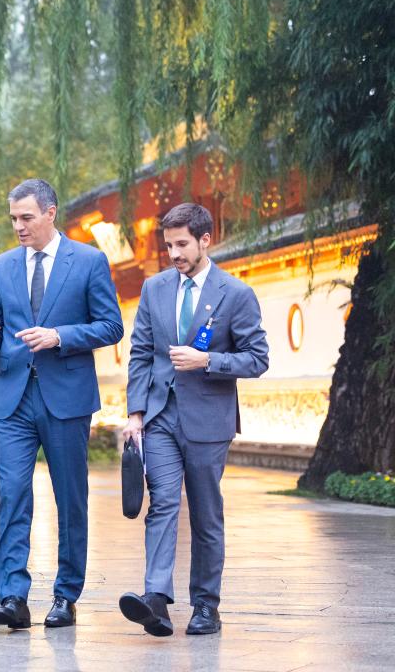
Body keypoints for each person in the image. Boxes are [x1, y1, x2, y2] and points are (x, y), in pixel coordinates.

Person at [0, 179, 123, 629]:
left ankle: (65, 595)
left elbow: (111, 326)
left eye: (27, 217)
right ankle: (12, 597)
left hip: (67, 398)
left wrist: (60, 336)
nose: (18, 226)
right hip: (13, 398)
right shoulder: (1, 266)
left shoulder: (89, 261)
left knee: (70, 498)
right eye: (13, 219)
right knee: (12, 494)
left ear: (50, 212)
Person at [118, 202, 269, 637]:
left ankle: (206, 606)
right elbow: (141, 354)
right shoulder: (154, 288)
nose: (174, 253)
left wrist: (208, 360)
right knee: (163, 502)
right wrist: (135, 413)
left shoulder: (235, 293)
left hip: (208, 421)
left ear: (205, 239)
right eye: (168, 245)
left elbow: (257, 358)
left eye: (182, 244)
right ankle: (156, 599)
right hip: (160, 417)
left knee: (205, 514)